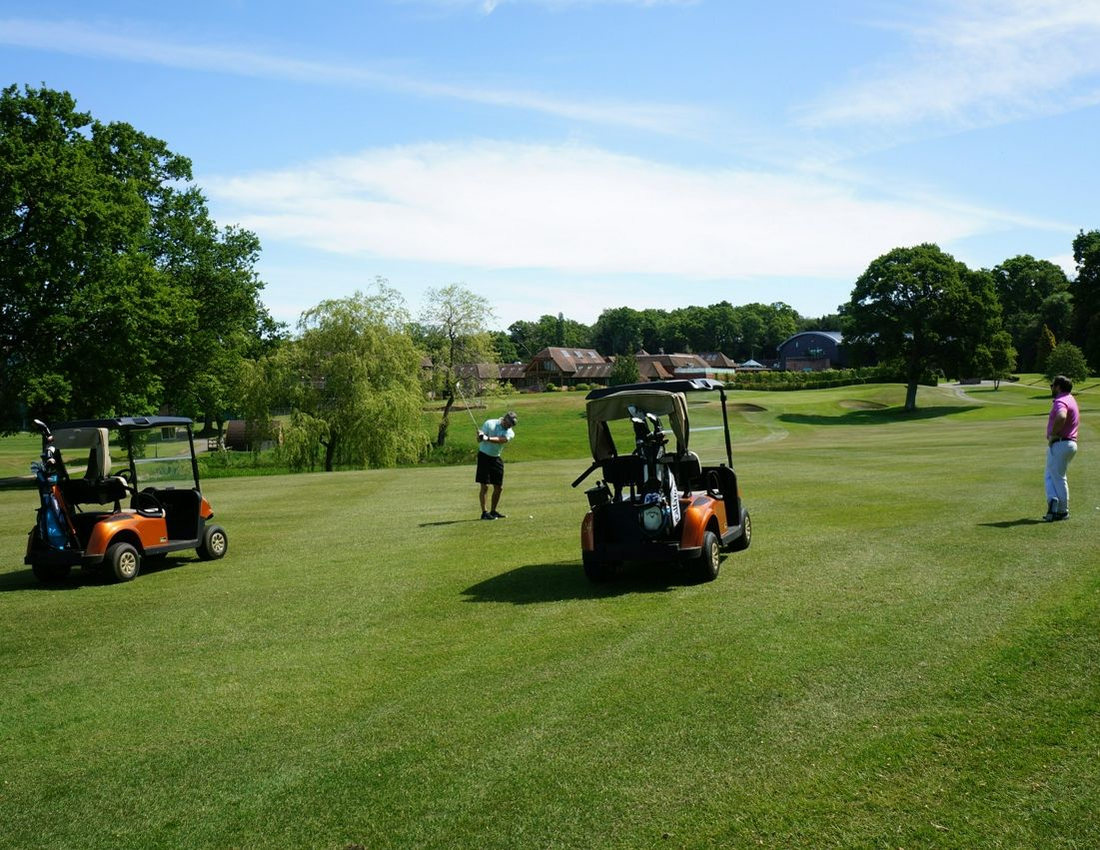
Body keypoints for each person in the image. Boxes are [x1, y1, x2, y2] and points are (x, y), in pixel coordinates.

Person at [1043, 375, 1079, 522]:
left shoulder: (1061, 400)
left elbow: (1061, 416)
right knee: (1050, 475)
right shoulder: (1070, 398)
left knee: (1057, 477)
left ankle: (1062, 510)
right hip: (1068, 444)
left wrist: (1053, 434)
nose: (1051, 387)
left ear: (1058, 387)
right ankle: (1053, 500)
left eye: (1053, 385)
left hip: (1061, 442)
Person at [476, 410, 517, 520]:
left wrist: (487, 438)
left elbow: (502, 440)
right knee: (485, 486)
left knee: (499, 487)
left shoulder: (510, 432)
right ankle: (484, 513)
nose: (509, 427)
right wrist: (480, 436)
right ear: (504, 420)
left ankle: (493, 511)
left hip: (496, 458)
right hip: (484, 456)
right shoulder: (490, 423)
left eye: (511, 425)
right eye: (508, 424)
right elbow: (479, 440)